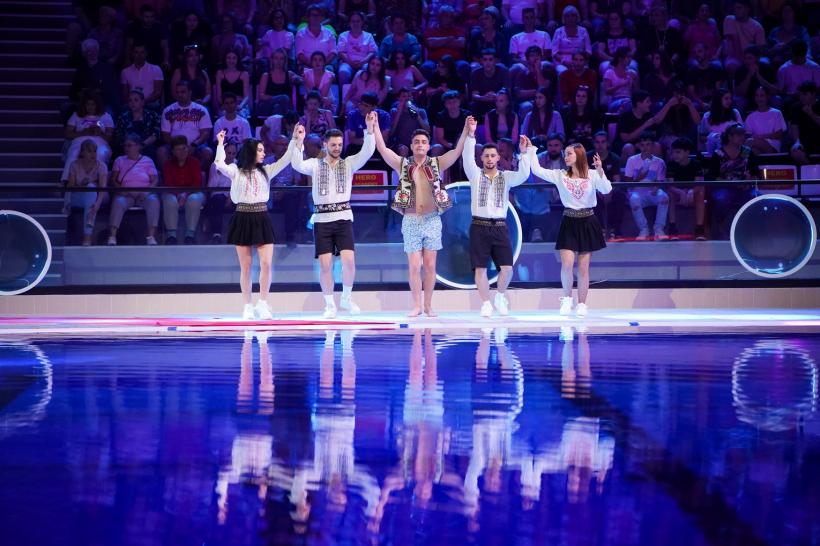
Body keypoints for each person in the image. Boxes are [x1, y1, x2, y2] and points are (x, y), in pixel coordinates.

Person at [374, 119, 471, 317]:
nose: (420, 145)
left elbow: (456, 152)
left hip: (432, 220)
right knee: (414, 266)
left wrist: (466, 130)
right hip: (411, 221)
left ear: (428, 146)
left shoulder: (437, 163)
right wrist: (374, 126)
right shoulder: (403, 164)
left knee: (430, 266)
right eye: (417, 142)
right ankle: (417, 305)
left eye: (423, 142)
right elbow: (383, 149)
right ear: (411, 146)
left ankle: (428, 305)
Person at [291, 117, 377, 318]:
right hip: (322, 220)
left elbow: (367, 152)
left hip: (343, 218)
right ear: (325, 144)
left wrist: (370, 129)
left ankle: (346, 298)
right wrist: (297, 141)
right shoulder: (315, 164)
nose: (337, 148)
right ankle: (329, 304)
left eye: (339, 144)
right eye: (333, 145)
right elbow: (296, 164)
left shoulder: (349, 163)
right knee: (325, 265)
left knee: (349, 262)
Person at [214, 126, 299, 320]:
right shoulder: (236, 170)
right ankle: (247, 306)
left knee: (267, 264)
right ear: (251, 152)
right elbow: (219, 164)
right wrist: (220, 144)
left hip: (261, 217)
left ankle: (263, 302)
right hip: (242, 217)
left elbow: (286, 158)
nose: (264, 153)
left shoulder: (267, 171)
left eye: (263, 150)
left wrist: (295, 139)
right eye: (260, 150)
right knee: (246, 266)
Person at [525, 136, 611, 316]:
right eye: (565, 154)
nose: (566, 157)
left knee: (583, 267)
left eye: (569, 154)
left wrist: (601, 171)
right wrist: (531, 150)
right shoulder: (561, 175)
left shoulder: (592, 175)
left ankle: (582, 304)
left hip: (588, 221)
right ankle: (566, 299)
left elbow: (606, 189)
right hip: (569, 221)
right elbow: (537, 170)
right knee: (567, 264)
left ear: (578, 155)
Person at [462, 119, 531, 317]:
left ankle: (500, 296)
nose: (490, 159)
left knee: (507, 268)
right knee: (480, 268)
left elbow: (523, 175)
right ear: (481, 158)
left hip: (500, 227)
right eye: (486, 155)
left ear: (498, 157)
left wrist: (524, 153)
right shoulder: (475, 175)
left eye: (493, 155)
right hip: (479, 226)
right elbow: (467, 157)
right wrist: (471, 134)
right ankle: (485, 303)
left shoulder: (506, 176)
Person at [107, 134, 161, 246]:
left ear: (138, 146)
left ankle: (151, 237)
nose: (126, 148)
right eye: (125, 146)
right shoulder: (119, 160)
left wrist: (147, 192)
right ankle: (112, 236)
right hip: (126, 194)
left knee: (153, 201)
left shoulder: (148, 160)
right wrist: (121, 190)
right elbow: (113, 179)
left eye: (129, 145)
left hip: (144, 194)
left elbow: (155, 180)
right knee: (118, 202)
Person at [61, 91, 114, 184]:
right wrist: (83, 132)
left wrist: (100, 133)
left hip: (100, 141)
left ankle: (97, 181)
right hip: (80, 141)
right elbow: (67, 134)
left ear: (97, 105)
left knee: (100, 153)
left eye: (93, 104)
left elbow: (111, 138)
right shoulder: (76, 115)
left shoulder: (106, 116)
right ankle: (67, 181)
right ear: (84, 105)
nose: (90, 107)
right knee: (74, 153)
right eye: (88, 104)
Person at [624, 132, 668, 241]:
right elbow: (627, 183)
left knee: (664, 197)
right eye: (642, 145)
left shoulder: (660, 162)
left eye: (648, 144)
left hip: (652, 192)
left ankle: (658, 229)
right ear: (639, 146)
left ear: (653, 145)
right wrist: (639, 177)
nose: (645, 148)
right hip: (636, 192)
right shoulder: (632, 160)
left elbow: (660, 182)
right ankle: (644, 230)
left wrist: (656, 188)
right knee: (634, 199)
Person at [162, 136, 205, 244]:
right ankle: (171, 235)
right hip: (173, 192)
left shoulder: (195, 162)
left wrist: (185, 194)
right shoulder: (168, 164)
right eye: (178, 149)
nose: (182, 152)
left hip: (193, 192)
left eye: (184, 148)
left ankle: (190, 235)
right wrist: (178, 194)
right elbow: (168, 183)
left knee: (194, 199)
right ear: (173, 152)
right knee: (170, 200)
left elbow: (197, 183)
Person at [65, 139, 108, 246]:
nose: (93, 154)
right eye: (89, 151)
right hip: (79, 196)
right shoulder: (74, 165)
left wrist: (97, 204)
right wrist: (82, 185)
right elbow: (71, 187)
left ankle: (87, 236)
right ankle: (87, 235)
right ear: (82, 152)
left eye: (94, 151)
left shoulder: (101, 166)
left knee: (91, 189)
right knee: (89, 188)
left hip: (99, 197)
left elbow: (102, 188)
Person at [665, 137, 706, 240]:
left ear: (687, 152)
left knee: (701, 193)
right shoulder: (671, 164)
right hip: (678, 193)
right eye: (673, 152)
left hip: (692, 194)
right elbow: (670, 185)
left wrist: (691, 191)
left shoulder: (696, 164)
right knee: (670, 195)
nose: (674, 155)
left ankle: (700, 229)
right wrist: (681, 192)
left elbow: (699, 184)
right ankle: (672, 228)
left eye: (678, 152)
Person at [204, 141, 237, 243]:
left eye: (233, 153)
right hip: (218, 195)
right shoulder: (215, 165)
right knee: (217, 200)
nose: (231, 156)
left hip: (234, 196)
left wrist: (230, 198)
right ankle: (217, 235)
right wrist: (218, 174)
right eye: (228, 153)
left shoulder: (238, 165)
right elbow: (211, 187)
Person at [115, 90, 161, 158]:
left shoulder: (153, 115)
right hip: (128, 147)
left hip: (147, 146)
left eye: (136, 100)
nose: (132, 103)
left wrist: (141, 145)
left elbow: (155, 134)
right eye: (130, 100)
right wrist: (131, 146)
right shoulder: (123, 117)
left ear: (142, 102)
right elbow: (119, 136)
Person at [744, 86, 786, 154]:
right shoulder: (750, 116)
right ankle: (744, 159)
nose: (759, 98)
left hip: (772, 145)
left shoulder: (776, 113)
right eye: (757, 96)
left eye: (762, 95)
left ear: (767, 97)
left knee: (749, 141)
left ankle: (741, 159)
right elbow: (747, 134)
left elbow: (779, 134)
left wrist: (761, 137)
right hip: (756, 145)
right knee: (754, 151)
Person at [790, 81, 820, 165]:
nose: (801, 97)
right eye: (800, 95)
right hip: (804, 144)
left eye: (805, 94)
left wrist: (811, 114)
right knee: (795, 151)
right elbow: (794, 126)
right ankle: (811, 167)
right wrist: (797, 142)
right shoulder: (796, 107)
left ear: (813, 94)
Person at [213, 50, 251, 117]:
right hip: (225, 105)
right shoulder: (219, 73)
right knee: (224, 115)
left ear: (238, 59)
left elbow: (246, 96)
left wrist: (240, 106)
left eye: (234, 58)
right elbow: (219, 96)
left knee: (240, 115)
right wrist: (227, 105)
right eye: (229, 58)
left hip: (240, 105)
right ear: (225, 59)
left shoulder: (244, 74)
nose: (231, 60)